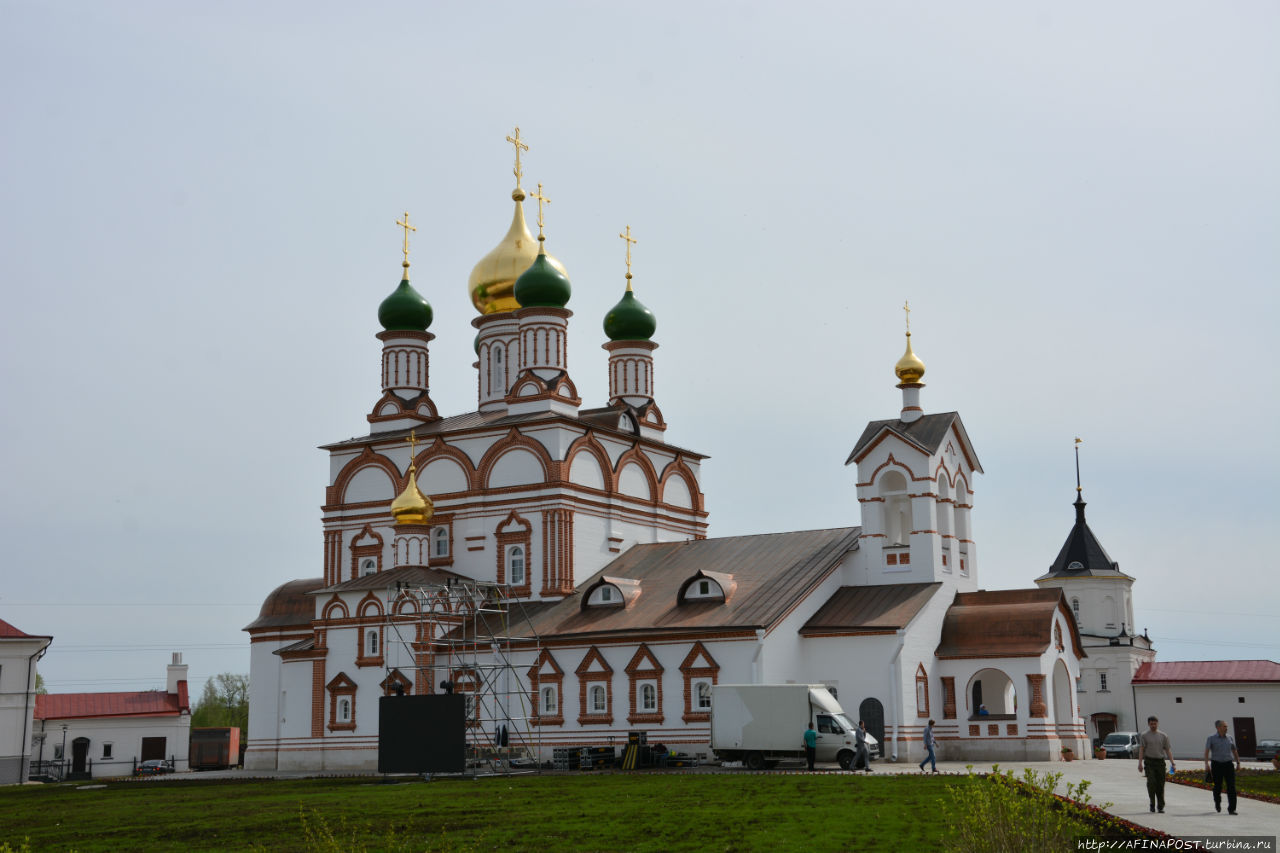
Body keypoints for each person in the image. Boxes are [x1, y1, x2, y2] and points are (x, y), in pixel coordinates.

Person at [1137, 715, 1175, 813]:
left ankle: (1160, 806)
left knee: (1160, 785)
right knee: (1151, 783)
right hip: (1149, 762)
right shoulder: (1144, 735)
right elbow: (1141, 749)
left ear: (1157, 723)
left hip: (1160, 762)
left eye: (1155, 723)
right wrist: (1140, 763)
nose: (1153, 725)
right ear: (1148, 724)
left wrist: (1172, 763)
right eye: (1151, 724)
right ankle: (1152, 804)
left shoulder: (1163, 736)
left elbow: (1168, 750)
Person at [1203, 720, 1241, 815]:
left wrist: (1238, 762)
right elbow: (1207, 751)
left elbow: (1234, 750)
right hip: (1217, 765)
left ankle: (1232, 809)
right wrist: (1206, 764)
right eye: (1224, 726)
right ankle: (1217, 803)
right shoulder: (1211, 738)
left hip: (1228, 764)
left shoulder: (1230, 738)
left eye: (1226, 726)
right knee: (1218, 786)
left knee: (1231, 786)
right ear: (1218, 728)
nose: (1226, 728)